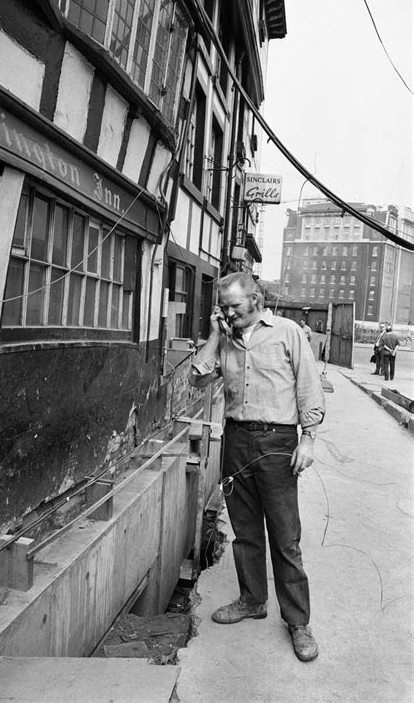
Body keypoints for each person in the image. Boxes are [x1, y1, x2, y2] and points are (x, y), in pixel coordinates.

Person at [188, 273, 325, 663]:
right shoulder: (225, 337)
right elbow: (197, 379)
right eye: (223, 307)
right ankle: (252, 600)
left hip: (278, 441)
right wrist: (215, 335)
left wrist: (308, 437)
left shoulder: (286, 332)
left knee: (285, 535)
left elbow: (308, 385)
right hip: (236, 440)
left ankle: (298, 622)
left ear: (257, 299)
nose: (229, 313)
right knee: (245, 530)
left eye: (234, 306)